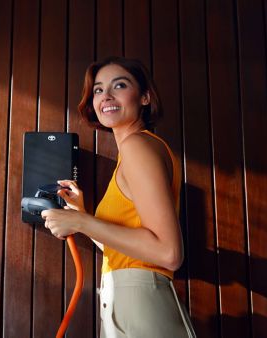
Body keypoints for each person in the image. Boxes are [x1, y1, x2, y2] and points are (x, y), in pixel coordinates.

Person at [40, 56, 196, 337]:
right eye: (98, 89)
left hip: (141, 304)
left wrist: (81, 224)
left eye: (119, 85)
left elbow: (169, 253)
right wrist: (82, 216)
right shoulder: (132, 153)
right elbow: (125, 249)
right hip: (126, 303)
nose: (106, 96)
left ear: (145, 97)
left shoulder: (138, 146)